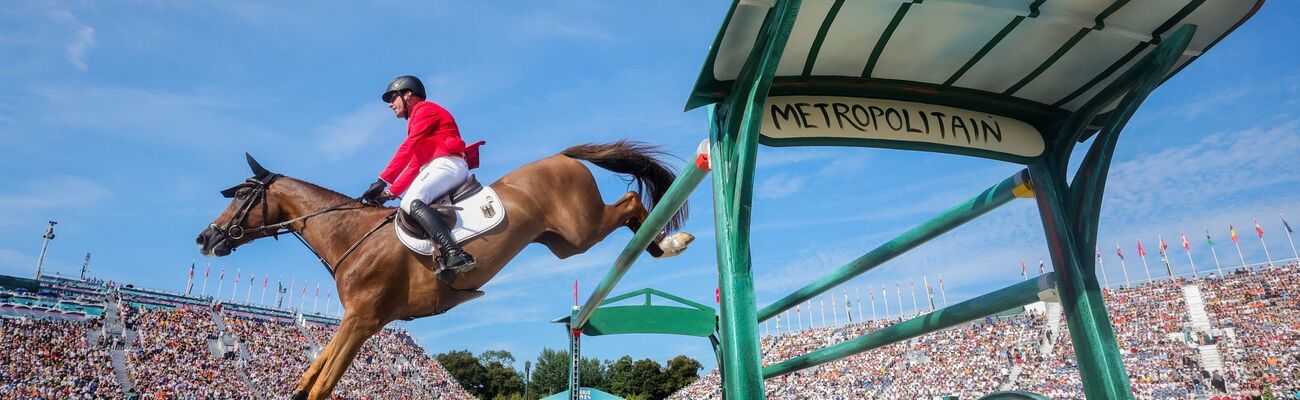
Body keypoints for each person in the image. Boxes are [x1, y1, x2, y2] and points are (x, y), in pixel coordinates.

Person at [360, 75, 475, 282]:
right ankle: (442, 255)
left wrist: (383, 179)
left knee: (412, 201)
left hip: (448, 163)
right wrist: (389, 193)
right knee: (408, 202)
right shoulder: (415, 119)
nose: (390, 105)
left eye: (392, 98)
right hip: (435, 165)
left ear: (408, 94)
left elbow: (409, 146)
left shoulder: (424, 109)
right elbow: (414, 163)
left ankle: (454, 252)